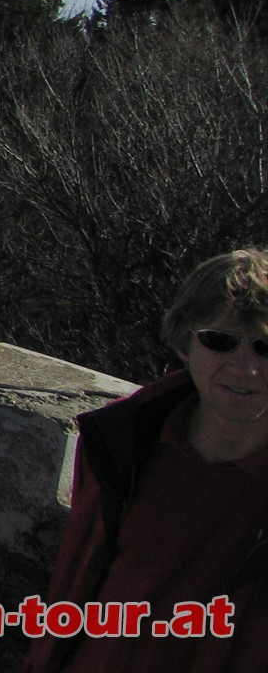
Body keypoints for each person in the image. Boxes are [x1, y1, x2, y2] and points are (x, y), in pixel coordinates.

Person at [25, 248, 268, 673]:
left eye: (265, 348)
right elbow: (74, 587)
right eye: (220, 341)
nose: (244, 369)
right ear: (184, 343)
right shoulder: (122, 446)